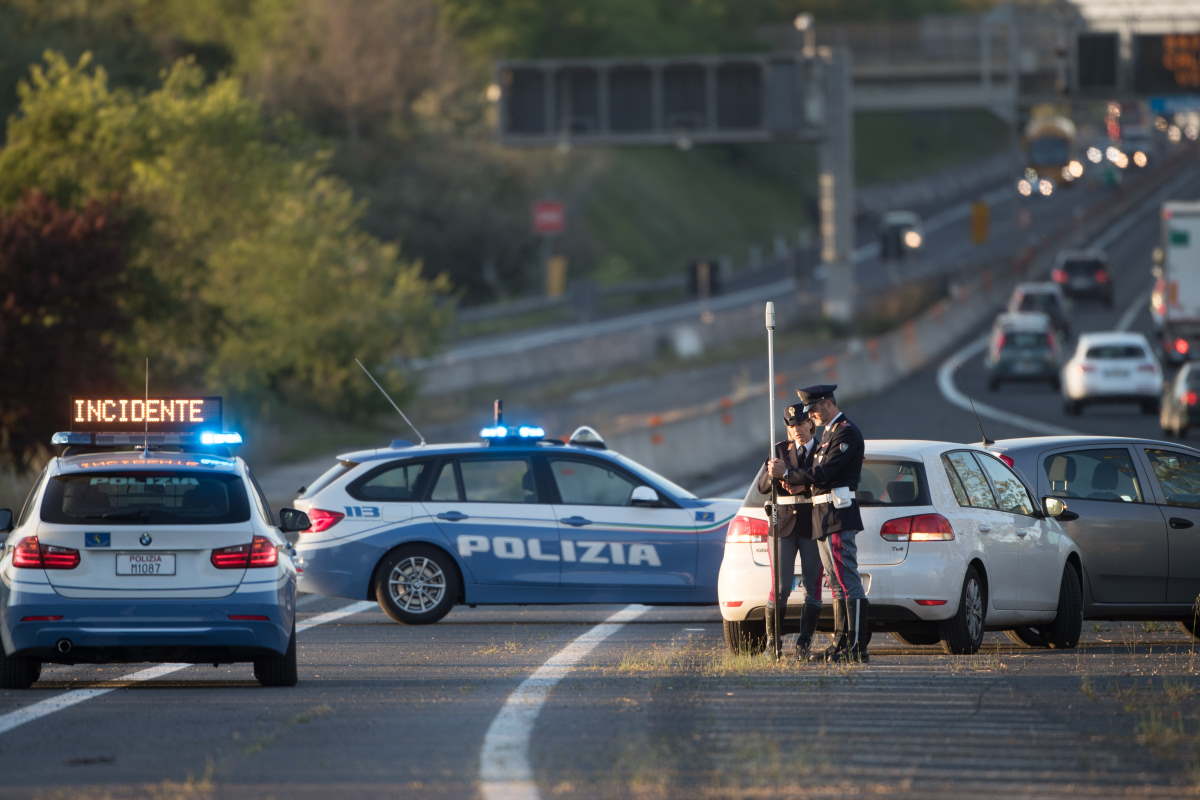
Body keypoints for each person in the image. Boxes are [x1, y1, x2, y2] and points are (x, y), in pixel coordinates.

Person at [768, 384, 869, 663]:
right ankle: (841, 642)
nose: (810, 417)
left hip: (837, 513)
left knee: (848, 582)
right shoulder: (829, 433)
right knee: (836, 583)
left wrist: (789, 472)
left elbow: (826, 471)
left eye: (812, 411)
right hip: (823, 514)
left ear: (826, 404)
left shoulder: (846, 431)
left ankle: (857, 645)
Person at [757, 405, 825, 661]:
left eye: (801, 424)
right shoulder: (778, 451)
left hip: (811, 523)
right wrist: (772, 472)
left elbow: (822, 478)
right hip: (782, 523)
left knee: (812, 585)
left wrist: (794, 477)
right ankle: (772, 645)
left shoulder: (821, 450)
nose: (797, 430)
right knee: (781, 586)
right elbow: (763, 487)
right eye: (791, 426)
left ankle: (803, 643)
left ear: (811, 424)